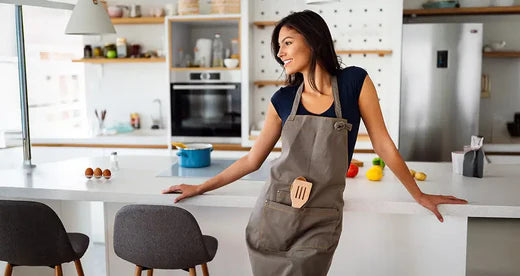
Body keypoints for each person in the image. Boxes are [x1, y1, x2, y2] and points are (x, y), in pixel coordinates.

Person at [162, 10, 468, 276]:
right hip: (273, 215)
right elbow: (252, 160)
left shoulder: (354, 82)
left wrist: (418, 195)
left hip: (322, 215)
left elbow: (382, 143)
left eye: (287, 42)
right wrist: (199, 187)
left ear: (312, 39)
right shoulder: (282, 100)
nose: (280, 52)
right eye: (278, 46)